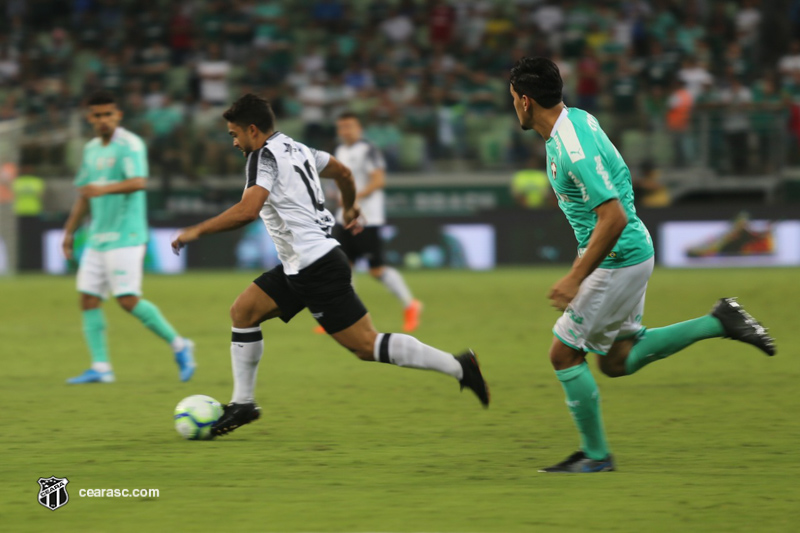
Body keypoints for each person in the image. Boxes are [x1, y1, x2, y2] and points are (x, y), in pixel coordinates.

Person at [508, 57, 775, 473]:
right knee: (616, 361)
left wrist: (576, 277)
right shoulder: (576, 121)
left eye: (512, 99)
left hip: (617, 257)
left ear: (525, 101)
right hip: (626, 252)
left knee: (563, 354)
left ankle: (596, 456)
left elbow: (611, 216)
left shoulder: (571, 147)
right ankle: (719, 321)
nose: (513, 108)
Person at [171, 94, 489, 436]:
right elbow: (344, 172)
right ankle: (243, 403)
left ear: (253, 130)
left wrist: (197, 230)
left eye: (235, 134)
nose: (234, 142)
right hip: (301, 264)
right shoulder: (301, 149)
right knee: (243, 312)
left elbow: (247, 210)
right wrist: (350, 208)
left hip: (316, 267)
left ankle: (459, 366)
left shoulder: (261, 156)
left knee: (366, 345)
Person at [62, 91, 194, 384]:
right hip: (97, 237)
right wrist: (69, 232)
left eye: (108, 114)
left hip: (126, 234)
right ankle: (101, 367)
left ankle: (180, 345)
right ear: (90, 119)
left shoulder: (130, 144)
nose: (103, 120)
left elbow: (138, 182)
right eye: (97, 115)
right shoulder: (91, 149)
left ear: (118, 115)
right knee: (87, 299)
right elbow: (84, 195)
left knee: (127, 300)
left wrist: (103, 189)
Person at [327, 112, 422, 334]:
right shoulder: (340, 151)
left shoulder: (369, 150)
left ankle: (410, 305)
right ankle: (345, 318)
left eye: (349, 126)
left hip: (367, 219)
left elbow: (379, 180)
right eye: (341, 127)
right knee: (343, 268)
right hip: (344, 218)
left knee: (376, 270)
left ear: (359, 128)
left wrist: (354, 197)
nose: (345, 131)